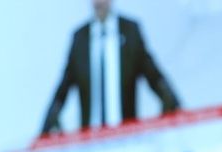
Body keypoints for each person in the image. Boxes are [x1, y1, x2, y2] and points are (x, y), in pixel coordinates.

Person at [40, 0, 181, 134]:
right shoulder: (80, 38)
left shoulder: (130, 31)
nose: (99, 3)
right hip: (90, 140)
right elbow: (63, 88)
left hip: (128, 137)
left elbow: (154, 77)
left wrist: (173, 105)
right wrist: (48, 125)